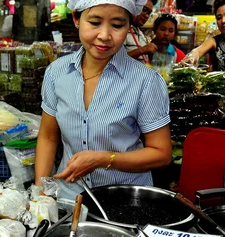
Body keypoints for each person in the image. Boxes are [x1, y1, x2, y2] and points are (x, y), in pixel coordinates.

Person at [34, 0, 172, 200]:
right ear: (76, 18)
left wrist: (104, 159)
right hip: (70, 197)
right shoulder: (57, 73)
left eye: (117, 25)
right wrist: (40, 194)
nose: (105, 36)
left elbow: (161, 154)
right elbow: (48, 137)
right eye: (95, 22)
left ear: (129, 25)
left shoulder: (145, 81)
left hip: (124, 200)